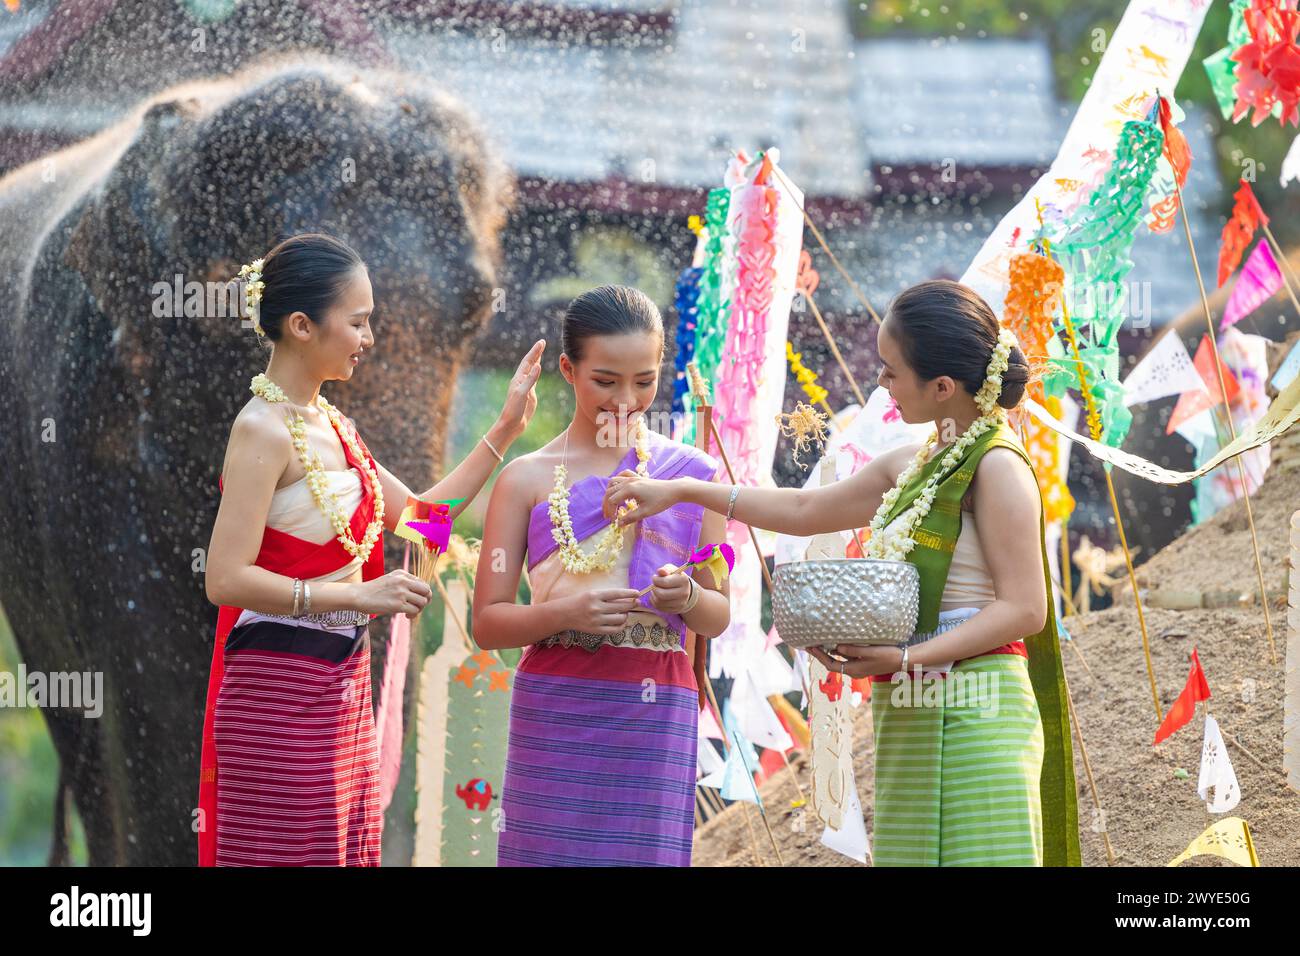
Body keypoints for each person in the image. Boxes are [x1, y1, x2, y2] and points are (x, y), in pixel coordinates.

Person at [602, 279, 1081, 866]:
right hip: (906, 697)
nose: (881, 384)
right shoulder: (915, 463)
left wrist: (906, 657)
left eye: (890, 371)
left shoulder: (998, 467)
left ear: (942, 387)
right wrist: (682, 489)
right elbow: (804, 512)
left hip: (978, 700)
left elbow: (1026, 609)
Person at [200, 232, 543, 866]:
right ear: (302, 325)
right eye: (358, 322)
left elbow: (424, 522)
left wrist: (504, 429)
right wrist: (359, 594)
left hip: (342, 684)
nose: (369, 338)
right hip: (278, 691)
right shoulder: (260, 429)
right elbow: (223, 579)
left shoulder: (334, 425)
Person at [473, 284, 731, 867]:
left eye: (644, 381)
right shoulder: (525, 479)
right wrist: (566, 613)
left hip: (656, 710)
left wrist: (688, 595)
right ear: (568, 369)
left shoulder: (690, 476)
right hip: (557, 704)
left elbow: (718, 615)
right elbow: (488, 624)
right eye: (605, 381)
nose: (627, 399)